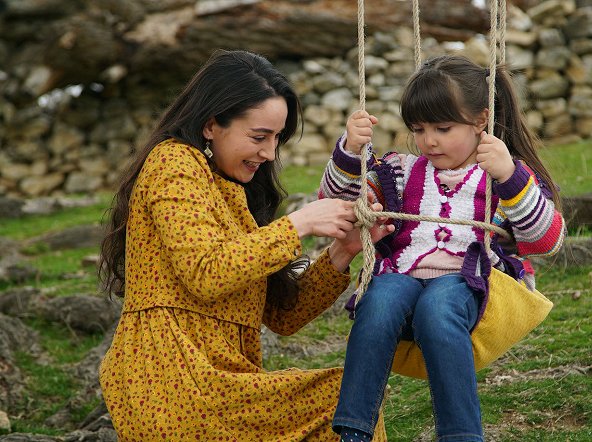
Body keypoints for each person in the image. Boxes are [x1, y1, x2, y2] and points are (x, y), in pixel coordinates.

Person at [97, 49, 393, 441]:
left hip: (222, 383)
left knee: (354, 397)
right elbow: (207, 272)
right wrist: (299, 223)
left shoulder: (237, 193)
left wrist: (344, 250)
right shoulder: (173, 164)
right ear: (210, 125)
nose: (269, 153)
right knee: (347, 399)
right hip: (168, 379)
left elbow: (283, 316)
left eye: (276, 138)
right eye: (259, 136)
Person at [319, 54, 566, 441]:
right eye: (418, 129)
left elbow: (545, 240)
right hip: (403, 276)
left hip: (469, 282)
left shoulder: (503, 177)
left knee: (438, 308)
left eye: (443, 127)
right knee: (378, 300)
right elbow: (336, 200)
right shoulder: (401, 171)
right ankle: (353, 429)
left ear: (481, 120)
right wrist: (350, 150)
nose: (428, 140)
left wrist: (508, 175)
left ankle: (461, 435)